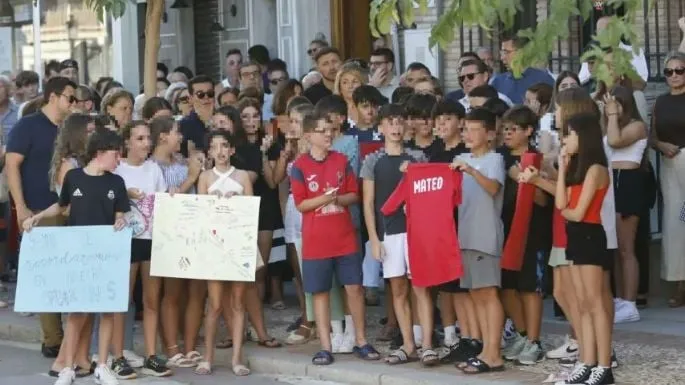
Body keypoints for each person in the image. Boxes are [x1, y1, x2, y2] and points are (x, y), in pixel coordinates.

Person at [22, 129, 129, 385]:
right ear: (100, 153)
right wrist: (36, 217)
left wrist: (121, 221)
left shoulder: (117, 183)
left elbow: (120, 215)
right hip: (79, 257)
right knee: (76, 312)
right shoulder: (73, 177)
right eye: (117, 154)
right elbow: (61, 206)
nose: (120, 160)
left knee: (107, 311)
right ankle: (67, 366)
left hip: (105, 255)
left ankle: (102, 365)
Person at [290, 111, 379, 366]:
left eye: (330, 130)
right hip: (316, 241)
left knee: (355, 289)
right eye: (322, 130)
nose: (328, 134)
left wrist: (337, 199)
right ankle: (325, 347)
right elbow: (301, 204)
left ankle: (361, 340)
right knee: (320, 293)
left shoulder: (341, 160)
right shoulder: (300, 167)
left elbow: (354, 195)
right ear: (309, 136)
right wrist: (326, 198)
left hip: (344, 238)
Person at [6, 76, 77, 359]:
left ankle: (68, 338)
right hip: (40, 209)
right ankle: (53, 339)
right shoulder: (28, 126)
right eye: (69, 97)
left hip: (71, 209)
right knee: (49, 277)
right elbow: (12, 165)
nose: (74, 103)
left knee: (69, 276)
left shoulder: (71, 128)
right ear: (53, 96)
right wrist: (21, 207)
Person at [361, 103, 427, 366]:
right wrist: (374, 239)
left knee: (421, 288)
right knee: (397, 289)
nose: (396, 128)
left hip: (415, 232)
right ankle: (408, 344)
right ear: (381, 128)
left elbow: (425, 198)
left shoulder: (417, 158)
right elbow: (368, 203)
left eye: (399, 123)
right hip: (389, 234)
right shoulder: (372, 160)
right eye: (390, 123)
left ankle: (426, 344)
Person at [555, 113, 614, 385]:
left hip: (590, 234)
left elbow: (578, 212)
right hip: (576, 236)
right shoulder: (578, 169)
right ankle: (587, 361)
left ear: (584, 136)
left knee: (596, 303)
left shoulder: (596, 169)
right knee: (582, 304)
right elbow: (560, 204)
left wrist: (567, 209)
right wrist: (563, 169)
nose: (565, 140)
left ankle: (603, 365)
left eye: (569, 134)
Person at [114, 120, 172, 378]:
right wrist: (126, 194)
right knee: (122, 300)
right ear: (127, 141)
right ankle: (117, 355)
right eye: (139, 138)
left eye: (148, 138)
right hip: (125, 239)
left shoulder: (154, 170)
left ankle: (150, 355)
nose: (146, 143)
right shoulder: (117, 169)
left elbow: (162, 201)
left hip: (151, 238)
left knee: (151, 300)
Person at [450, 108, 506, 374]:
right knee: (475, 294)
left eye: (474, 129)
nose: (468, 134)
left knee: (488, 292)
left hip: (486, 235)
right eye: (465, 129)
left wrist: (471, 171)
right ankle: (485, 350)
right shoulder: (459, 158)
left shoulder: (494, 159)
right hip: (464, 236)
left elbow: (494, 188)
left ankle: (494, 353)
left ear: (489, 134)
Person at [194, 131, 253, 377]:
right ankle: (207, 357)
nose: (220, 151)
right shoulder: (205, 177)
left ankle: (237, 358)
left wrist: (236, 202)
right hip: (215, 246)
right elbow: (199, 213)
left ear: (232, 150)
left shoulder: (242, 176)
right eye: (215, 147)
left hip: (238, 245)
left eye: (224, 146)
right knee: (215, 303)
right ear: (209, 151)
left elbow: (251, 211)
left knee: (238, 303)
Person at [498, 106, 550, 366]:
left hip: (533, 233)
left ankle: (534, 340)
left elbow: (543, 200)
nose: (507, 133)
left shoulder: (538, 159)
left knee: (531, 289)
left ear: (529, 131)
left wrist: (530, 180)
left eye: (513, 129)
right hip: (503, 231)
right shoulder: (501, 158)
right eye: (505, 129)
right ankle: (521, 333)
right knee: (507, 288)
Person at [603, 86, 648, 323]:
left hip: (628, 182)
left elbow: (615, 141)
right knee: (615, 248)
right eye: (611, 103)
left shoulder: (637, 126)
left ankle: (630, 302)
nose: (613, 107)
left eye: (618, 103)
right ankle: (620, 298)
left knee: (626, 248)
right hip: (612, 183)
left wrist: (611, 115)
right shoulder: (610, 123)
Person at [649, 51, 685, 307]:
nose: (674, 75)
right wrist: (661, 145)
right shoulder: (660, 102)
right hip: (670, 166)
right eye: (669, 71)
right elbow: (650, 136)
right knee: (675, 222)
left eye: (679, 70)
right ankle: (679, 282)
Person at [490, 36, 554, 104]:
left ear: (522, 53)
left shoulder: (544, 79)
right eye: (501, 53)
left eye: (506, 52)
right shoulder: (497, 81)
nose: (502, 58)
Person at [180, 75, 215, 157]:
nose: (206, 98)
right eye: (200, 94)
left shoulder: (224, 119)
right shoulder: (184, 125)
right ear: (191, 98)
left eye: (210, 93)